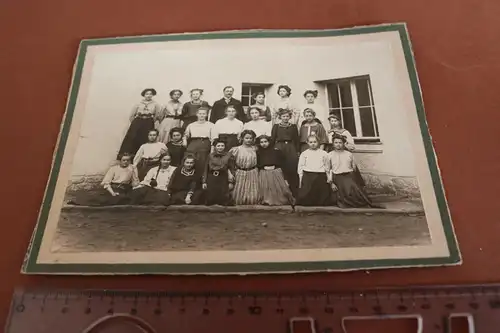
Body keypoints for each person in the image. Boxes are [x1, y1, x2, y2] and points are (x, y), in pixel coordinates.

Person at [68, 153, 139, 206]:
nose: (126, 162)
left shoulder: (131, 169)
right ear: (120, 161)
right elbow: (106, 183)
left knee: (125, 199)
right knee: (102, 199)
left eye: (128, 160)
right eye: (124, 160)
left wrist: (135, 172)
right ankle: (78, 201)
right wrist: (112, 193)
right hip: (112, 188)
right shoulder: (114, 169)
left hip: (124, 190)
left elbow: (135, 183)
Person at [328, 135, 379, 208]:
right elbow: (328, 169)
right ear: (333, 144)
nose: (338, 144)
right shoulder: (329, 155)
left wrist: (354, 178)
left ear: (343, 144)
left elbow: (353, 168)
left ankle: (360, 202)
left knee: (356, 191)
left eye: (340, 142)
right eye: (336, 142)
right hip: (337, 177)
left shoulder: (349, 154)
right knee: (345, 193)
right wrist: (331, 183)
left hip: (348, 175)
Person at [117, 88, 162, 157]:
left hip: (148, 123)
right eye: (147, 94)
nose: (148, 95)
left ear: (153, 95)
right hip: (138, 122)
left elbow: (156, 115)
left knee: (145, 137)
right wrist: (136, 123)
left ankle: (142, 156)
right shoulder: (138, 104)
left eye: (150, 94)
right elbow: (132, 116)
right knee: (133, 138)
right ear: (144, 95)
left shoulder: (155, 104)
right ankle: (129, 156)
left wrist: (149, 121)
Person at [326, 114, 365, 187]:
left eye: (335, 121)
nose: (333, 123)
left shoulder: (345, 132)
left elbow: (352, 146)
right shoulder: (329, 132)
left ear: (339, 122)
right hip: (333, 154)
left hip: (343, 153)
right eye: (331, 121)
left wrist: (345, 145)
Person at [256, 135, 294, 206]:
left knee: (278, 189)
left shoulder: (276, 151)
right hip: (264, 173)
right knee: (266, 188)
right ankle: (267, 201)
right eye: (261, 142)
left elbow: (282, 163)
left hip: (275, 172)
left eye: (265, 142)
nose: (264, 144)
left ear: (269, 142)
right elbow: (258, 164)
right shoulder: (258, 152)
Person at [270, 109, 300, 197]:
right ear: (280, 117)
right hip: (279, 146)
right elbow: (273, 138)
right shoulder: (276, 126)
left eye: (287, 116)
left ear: (289, 117)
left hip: (290, 147)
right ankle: (280, 189)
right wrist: (272, 150)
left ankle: (293, 190)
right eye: (283, 116)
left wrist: (297, 150)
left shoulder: (293, 126)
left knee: (292, 165)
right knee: (280, 166)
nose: (285, 118)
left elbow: (296, 139)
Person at [297, 135, 331, 206]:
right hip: (308, 175)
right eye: (311, 142)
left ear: (318, 142)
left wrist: (328, 177)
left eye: (315, 142)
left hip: (320, 174)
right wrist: (301, 177)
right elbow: (300, 166)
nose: (313, 144)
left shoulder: (324, 153)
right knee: (306, 193)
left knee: (321, 192)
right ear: (307, 143)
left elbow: (327, 166)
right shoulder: (304, 153)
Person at [229, 130, 260, 205]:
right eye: (246, 138)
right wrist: (230, 173)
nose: (248, 140)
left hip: (253, 172)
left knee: (253, 196)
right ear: (242, 138)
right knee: (238, 195)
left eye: (250, 138)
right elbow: (229, 163)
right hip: (240, 172)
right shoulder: (236, 149)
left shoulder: (255, 149)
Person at [202, 139, 234, 206]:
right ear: (215, 147)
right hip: (212, 177)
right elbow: (206, 169)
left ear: (225, 147)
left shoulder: (229, 156)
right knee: (210, 198)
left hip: (223, 177)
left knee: (223, 199)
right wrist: (204, 181)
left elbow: (231, 168)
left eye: (222, 146)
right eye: (218, 146)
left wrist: (231, 181)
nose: (220, 147)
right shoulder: (210, 156)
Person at [183, 106, 215, 173]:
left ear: (206, 115)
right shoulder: (191, 125)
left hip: (205, 144)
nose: (202, 115)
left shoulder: (211, 125)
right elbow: (186, 135)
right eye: (200, 113)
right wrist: (184, 140)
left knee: (202, 163)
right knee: (190, 161)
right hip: (193, 144)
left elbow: (213, 138)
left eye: (203, 114)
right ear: (197, 114)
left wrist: (212, 149)